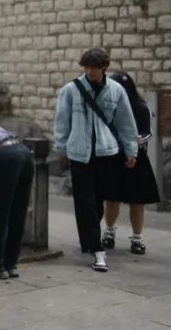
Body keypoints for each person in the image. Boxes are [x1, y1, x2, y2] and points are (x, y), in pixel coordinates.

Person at [53, 48, 138, 273]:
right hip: (79, 154)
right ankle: (96, 248)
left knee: (98, 201)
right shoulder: (70, 90)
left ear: (104, 67)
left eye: (95, 67)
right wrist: (62, 147)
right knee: (84, 201)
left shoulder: (116, 90)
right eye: (87, 67)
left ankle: (87, 240)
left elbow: (126, 122)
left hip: (106, 153)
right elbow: (62, 121)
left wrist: (131, 150)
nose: (90, 71)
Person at [101, 71, 160, 256]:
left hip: (137, 159)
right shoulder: (108, 106)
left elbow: (147, 132)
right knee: (112, 199)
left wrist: (133, 143)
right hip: (114, 157)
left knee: (137, 202)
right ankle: (109, 231)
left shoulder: (141, 107)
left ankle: (137, 238)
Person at [0, 121, 35, 279]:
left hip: (6, 155)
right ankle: (10, 263)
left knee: (0, 211)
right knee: (18, 212)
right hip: (23, 152)